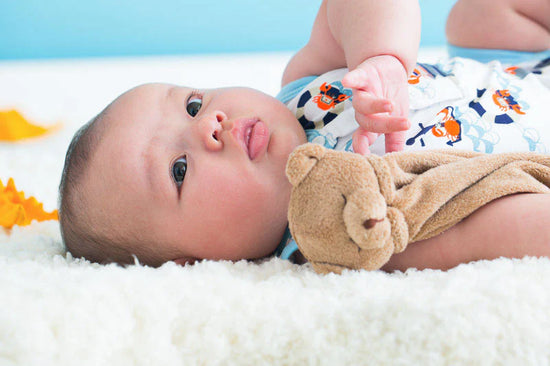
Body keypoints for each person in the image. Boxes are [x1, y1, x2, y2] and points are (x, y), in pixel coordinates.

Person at [58, 0, 550, 272]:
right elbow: (486, 228)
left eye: (192, 105)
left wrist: (381, 56)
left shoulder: (301, 88)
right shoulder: (345, 234)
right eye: (178, 170)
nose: (210, 124)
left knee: (480, 12)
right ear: (193, 263)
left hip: (522, 69)